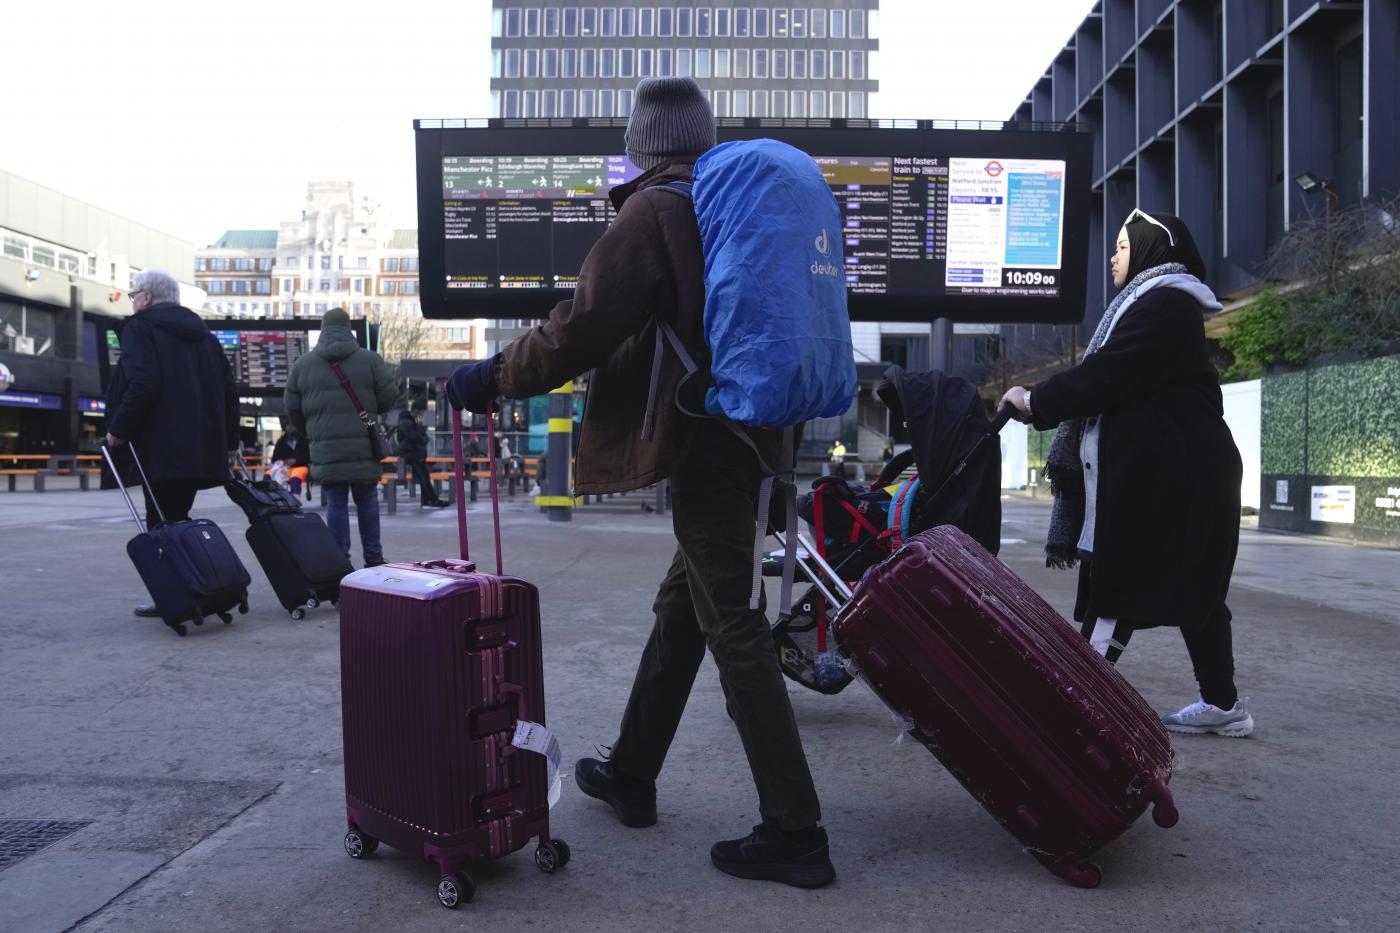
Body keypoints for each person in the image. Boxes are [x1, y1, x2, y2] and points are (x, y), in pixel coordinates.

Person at [445, 77, 833, 889]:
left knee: (731, 620)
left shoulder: (657, 210)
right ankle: (632, 772)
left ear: (643, 144)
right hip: (760, 430)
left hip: (708, 440)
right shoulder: (732, 205)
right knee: (683, 606)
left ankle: (796, 829)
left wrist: (494, 376)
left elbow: (579, 325)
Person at [999, 209, 1251, 738]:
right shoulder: (1159, 304)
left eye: (1122, 245)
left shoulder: (1166, 303)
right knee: (1198, 592)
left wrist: (1035, 399)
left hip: (1179, 480)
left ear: (1151, 248)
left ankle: (1068, 704)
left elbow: (1106, 377)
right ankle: (1224, 705)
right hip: (1187, 475)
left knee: (1120, 585)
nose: (1113, 256)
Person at [102, 270, 240, 618]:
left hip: (159, 445)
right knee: (177, 518)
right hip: (201, 445)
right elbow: (228, 391)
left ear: (146, 297)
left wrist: (118, 428)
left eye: (134, 294)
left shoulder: (141, 328)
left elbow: (143, 384)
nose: (132, 301)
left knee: (160, 523)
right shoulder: (204, 336)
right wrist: (231, 441)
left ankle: (176, 596)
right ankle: (196, 588)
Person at [285, 308, 396, 568]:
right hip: (363, 446)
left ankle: (339, 562)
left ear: (323, 330)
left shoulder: (303, 365)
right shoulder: (370, 360)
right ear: (349, 330)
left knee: (336, 502)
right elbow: (388, 397)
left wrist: (311, 431)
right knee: (367, 499)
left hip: (326, 449)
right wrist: (371, 407)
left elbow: (291, 408)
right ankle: (373, 559)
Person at [395, 404, 448, 509]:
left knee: (424, 478)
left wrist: (421, 433)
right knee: (424, 478)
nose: (420, 416)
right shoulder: (407, 423)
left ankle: (429, 500)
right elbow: (416, 437)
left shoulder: (409, 423)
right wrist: (422, 434)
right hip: (413, 454)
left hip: (415, 454)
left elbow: (420, 436)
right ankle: (432, 500)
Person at [270, 423, 309, 496]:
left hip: (300, 466)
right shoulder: (281, 441)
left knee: (295, 477)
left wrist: (296, 461)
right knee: (268, 474)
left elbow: (308, 457)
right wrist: (283, 462)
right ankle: (270, 496)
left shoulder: (303, 441)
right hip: (283, 466)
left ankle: (294, 496)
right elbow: (274, 458)